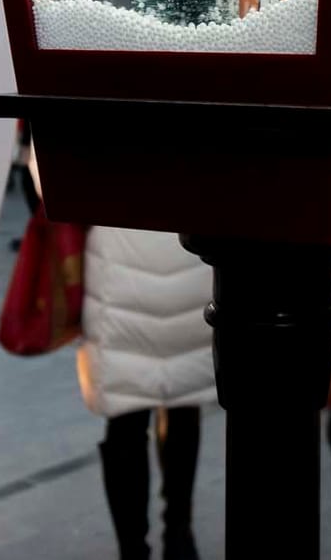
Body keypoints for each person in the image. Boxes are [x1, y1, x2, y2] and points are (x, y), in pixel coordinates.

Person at [81, 228, 213, 560]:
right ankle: (179, 532)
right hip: (189, 251)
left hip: (118, 257)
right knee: (184, 402)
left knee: (126, 413)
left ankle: (133, 548)